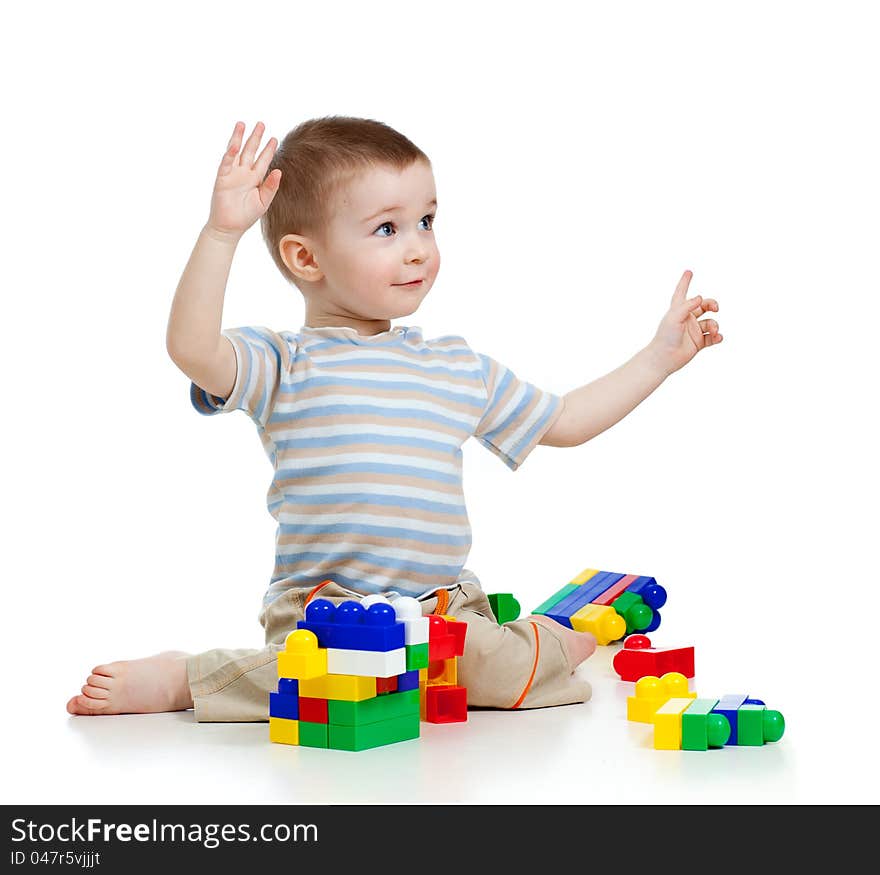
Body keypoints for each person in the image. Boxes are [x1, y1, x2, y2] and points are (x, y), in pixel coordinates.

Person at [66, 117, 722, 721]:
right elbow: (192, 349)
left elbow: (568, 418)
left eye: (428, 221)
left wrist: (659, 358)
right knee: (320, 678)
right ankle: (188, 679)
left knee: (494, 675)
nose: (418, 249)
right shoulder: (284, 362)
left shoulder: (455, 366)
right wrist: (221, 234)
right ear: (305, 258)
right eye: (388, 228)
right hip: (324, 610)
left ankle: (552, 636)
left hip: (441, 607)